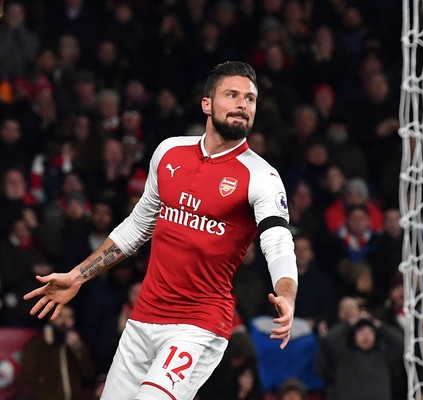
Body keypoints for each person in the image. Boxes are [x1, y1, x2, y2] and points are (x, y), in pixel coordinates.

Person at [23, 61, 298, 400]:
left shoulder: (262, 176)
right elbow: (137, 227)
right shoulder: (170, 152)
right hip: (143, 319)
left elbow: (278, 241)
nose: (243, 104)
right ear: (207, 104)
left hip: (198, 326)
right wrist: (78, 275)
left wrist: (287, 294)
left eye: (250, 99)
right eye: (232, 95)